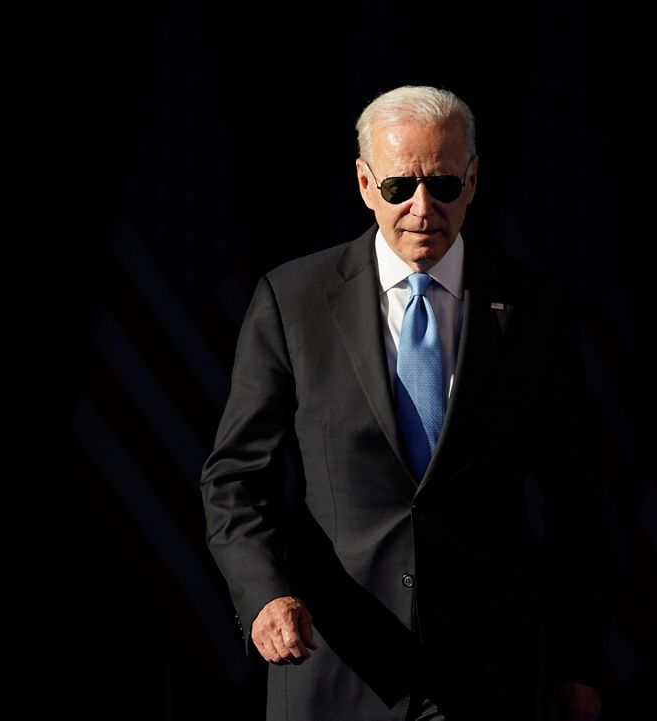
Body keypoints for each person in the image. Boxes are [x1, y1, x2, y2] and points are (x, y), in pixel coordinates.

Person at [200, 85, 611, 721]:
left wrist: (577, 662)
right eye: (400, 187)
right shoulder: (294, 299)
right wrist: (263, 597)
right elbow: (233, 480)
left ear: (473, 179)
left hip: (487, 674)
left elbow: (576, 498)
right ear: (365, 183)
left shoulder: (534, 309)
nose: (423, 208)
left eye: (444, 185)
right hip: (335, 664)